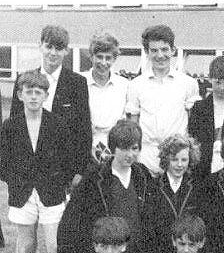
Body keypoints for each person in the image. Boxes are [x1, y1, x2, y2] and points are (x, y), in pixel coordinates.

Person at [0, 71, 72, 253]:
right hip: (22, 195)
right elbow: (3, 161)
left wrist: (57, 182)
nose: (33, 96)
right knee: (27, 246)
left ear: (45, 95)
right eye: (28, 92)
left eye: (38, 92)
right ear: (19, 95)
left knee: (54, 247)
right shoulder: (10, 126)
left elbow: (67, 160)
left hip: (51, 193)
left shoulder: (57, 124)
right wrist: (17, 181)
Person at [57, 120, 154, 253]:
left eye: (134, 148)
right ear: (113, 148)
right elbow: (73, 215)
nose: (130, 154)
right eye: (124, 148)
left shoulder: (143, 175)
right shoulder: (94, 177)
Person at [10, 25, 91, 187]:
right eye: (49, 47)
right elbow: (14, 127)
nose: (53, 53)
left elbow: (84, 130)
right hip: (28, 170)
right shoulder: (24, 80)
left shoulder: (77, 83)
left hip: (63, 171)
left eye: (59, 48)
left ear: (66, 51)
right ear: (40, 46)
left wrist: (79, 171)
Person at [125, 25, 200, 175]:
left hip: (177, 158)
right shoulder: (136, 85)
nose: (160, 55)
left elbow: (193, 125)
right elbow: (133, 125)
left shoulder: (188, 83)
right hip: (146, 158)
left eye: (164, 49)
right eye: (154, 50)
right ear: (147, 52)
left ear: (173, 50)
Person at [145, 134, 203, 253]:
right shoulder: (153, 187)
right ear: (166, 160)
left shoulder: (196, 187)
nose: (179, 164)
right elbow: (149, 226)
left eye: (184, 159)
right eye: (174, 159)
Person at [82, 31, 129, 160]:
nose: (103, 62)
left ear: (114, 59)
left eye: (108, 58)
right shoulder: (80, 82)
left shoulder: (124, 85)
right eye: (99, 56)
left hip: (115, 150)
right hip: (84, 149)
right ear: (91, 57)